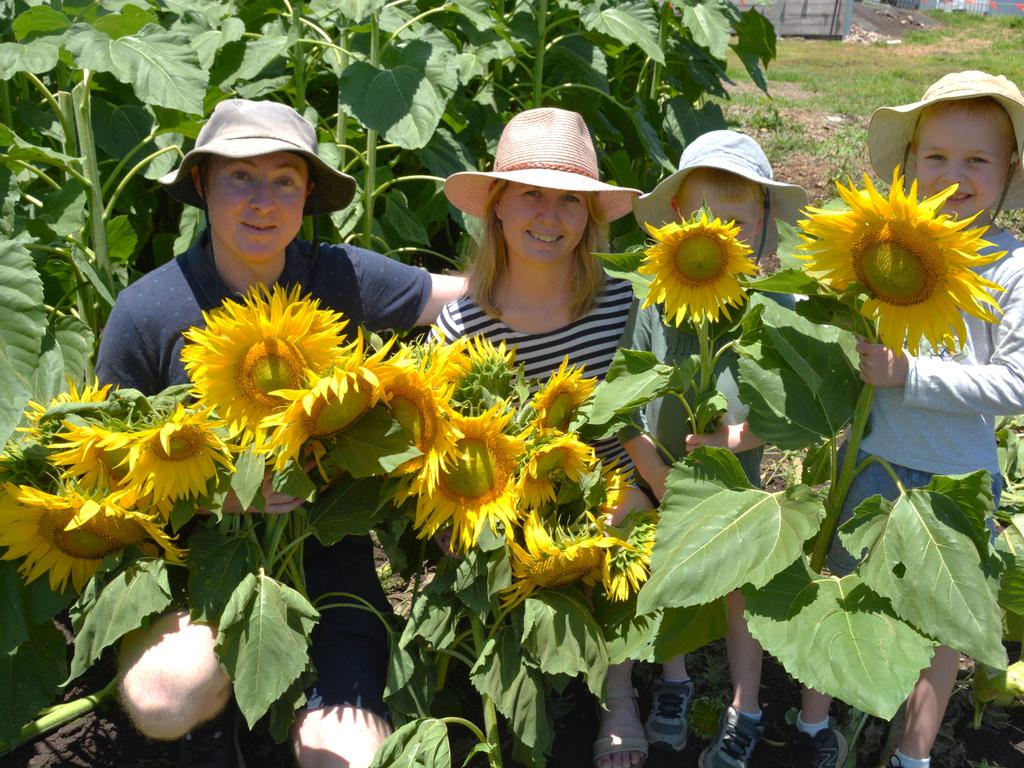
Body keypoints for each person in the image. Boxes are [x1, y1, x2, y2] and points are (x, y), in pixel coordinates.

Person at [95, 98, 465, 768]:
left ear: (308, 195)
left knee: (347, 757)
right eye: (241, 176)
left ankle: (281, 702)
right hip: (195, 569)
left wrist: (567, 271)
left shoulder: (336, 277)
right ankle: (216, 723)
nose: (263, 202)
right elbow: (106, 471)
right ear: (203, 184)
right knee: (165, 698)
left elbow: (459, 295)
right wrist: (216, 493)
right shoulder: (149, 311)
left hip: (329, 568)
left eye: (284, 181)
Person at [794, 70, 1024, 768]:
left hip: (956, 481)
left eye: (976, 161)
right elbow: (827, 320)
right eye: (937, 158)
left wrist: (910, 374)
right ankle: (813, 726)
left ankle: (914, 751)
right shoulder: (877, 241)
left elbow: (1017, 382)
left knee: (944, 623)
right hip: (869, 463)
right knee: (841, 594)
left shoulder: (1011, 267)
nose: (953, 176)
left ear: (1009, 170)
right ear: (909, 163)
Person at [434, 107, 652, 768]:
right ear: (496, 207)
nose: (549, 216)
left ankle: (617, 689)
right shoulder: (462, 326)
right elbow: (445, 446)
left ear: (591, 218)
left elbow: (648, 413)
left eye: (570, 201)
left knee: (620, 523)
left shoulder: (621, 305)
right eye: (531, 194)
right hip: (508, 496)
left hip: (612, 488)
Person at [620, 130, 808, 768]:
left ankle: (745, 704)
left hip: (736, 492)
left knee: (741, 592)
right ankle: (673, 682)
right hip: (659, 479)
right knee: (662, 574)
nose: (717, 235)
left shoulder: (771, 304)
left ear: (762, 232)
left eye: (736, 222)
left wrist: (744, 435)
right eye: (703, 219)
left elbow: (794, 409)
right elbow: (621, 392)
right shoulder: (656, 293)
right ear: (676, 221)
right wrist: (651, 466)